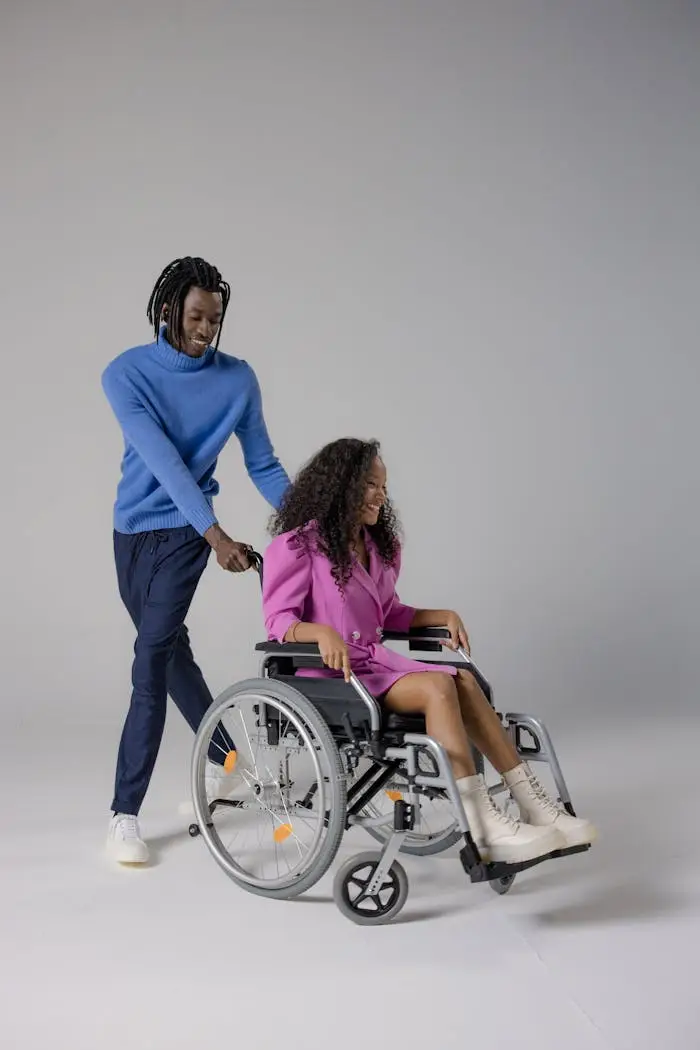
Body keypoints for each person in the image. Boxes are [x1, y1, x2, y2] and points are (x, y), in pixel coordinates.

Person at [261, 438, 596, 865]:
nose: (380, 494)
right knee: (439, 686)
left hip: (375, 668)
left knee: (464, 681)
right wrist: (318, 633)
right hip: (330, 679)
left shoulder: (376, 547)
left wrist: (439, 614)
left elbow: (388, 613)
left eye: (383, 485)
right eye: (369, 484)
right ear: (341, 486)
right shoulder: (298, 547)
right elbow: (277, 621)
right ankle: (483, 823)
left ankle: (533, 803)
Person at [102, 256, 290, 865]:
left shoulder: (238, 381)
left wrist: (310, 519)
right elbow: (161, 460)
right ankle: (227, 762)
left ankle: (123, 815)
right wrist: (220, 536)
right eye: (195, 317)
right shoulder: (125, 373)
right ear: (167, 311)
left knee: (150, 659)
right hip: (131, 532)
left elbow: (261, 464)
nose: (206, 330)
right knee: (170, 650)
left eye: (214, 319)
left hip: (187, 536)